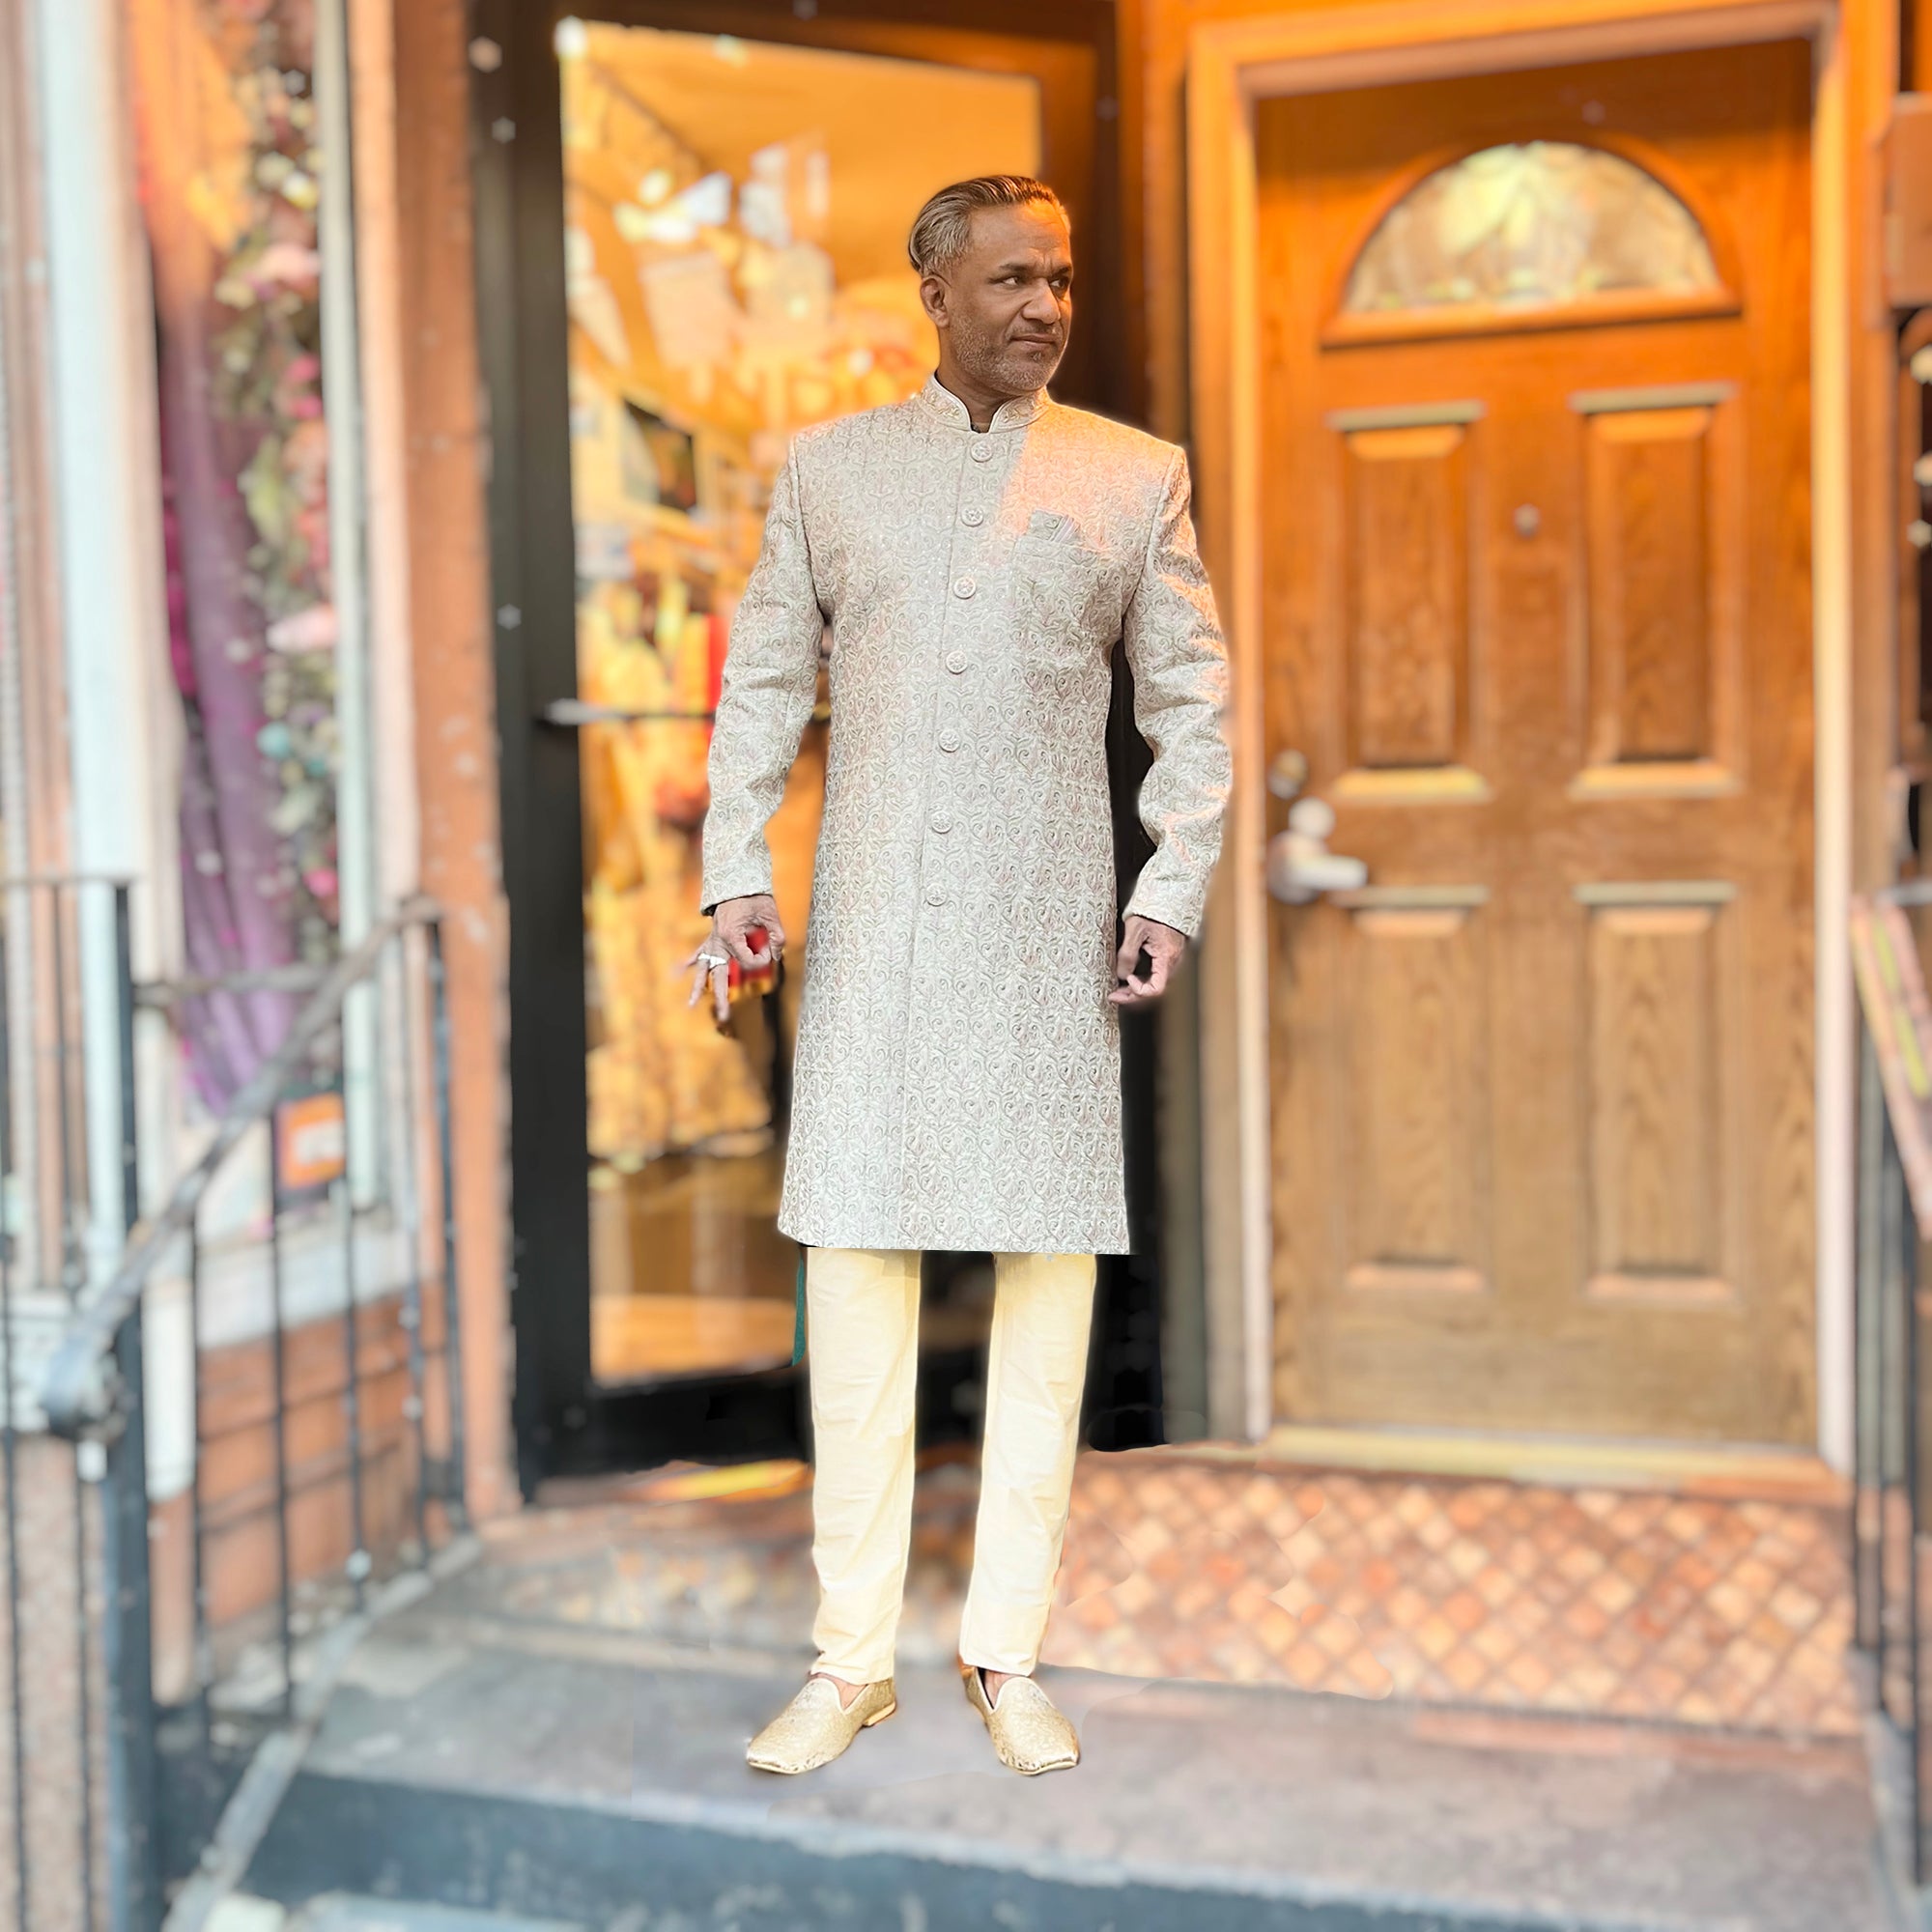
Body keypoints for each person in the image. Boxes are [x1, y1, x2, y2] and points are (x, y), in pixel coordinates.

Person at [689, 174, 1230, 1777]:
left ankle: (1007, 1649)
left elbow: (1194, 701)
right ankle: (849, 1659)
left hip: (1048, 926)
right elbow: (765, 679)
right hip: (869, 928)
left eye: (1057, 280)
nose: (1043, 309)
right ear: (932, 292)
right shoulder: (833, 472)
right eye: (1007, 281)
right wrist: (734, 871)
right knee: (855, 1269)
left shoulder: (1133, 477)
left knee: (1046, 1280)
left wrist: (1173, 884)